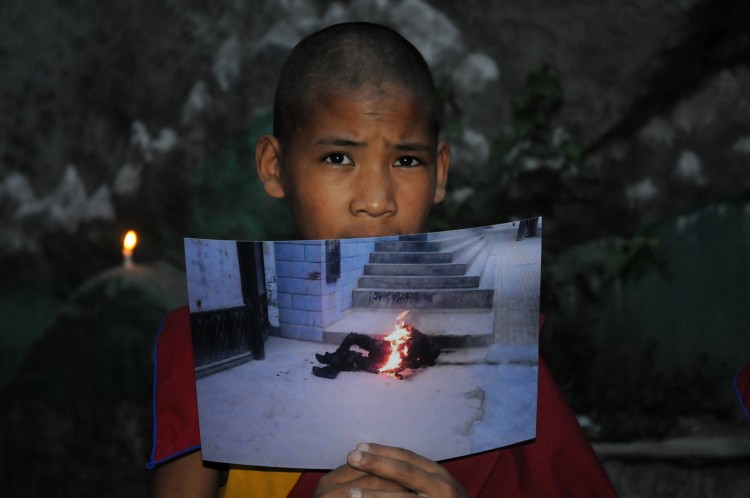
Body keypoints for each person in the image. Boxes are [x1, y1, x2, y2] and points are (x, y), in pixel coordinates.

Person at [147, 22, 617, 497]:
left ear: (440, 172)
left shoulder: (501, 354)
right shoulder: (205, 347)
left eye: (407, 161)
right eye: (337, 157)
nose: (376, 199)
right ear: (274, 166)